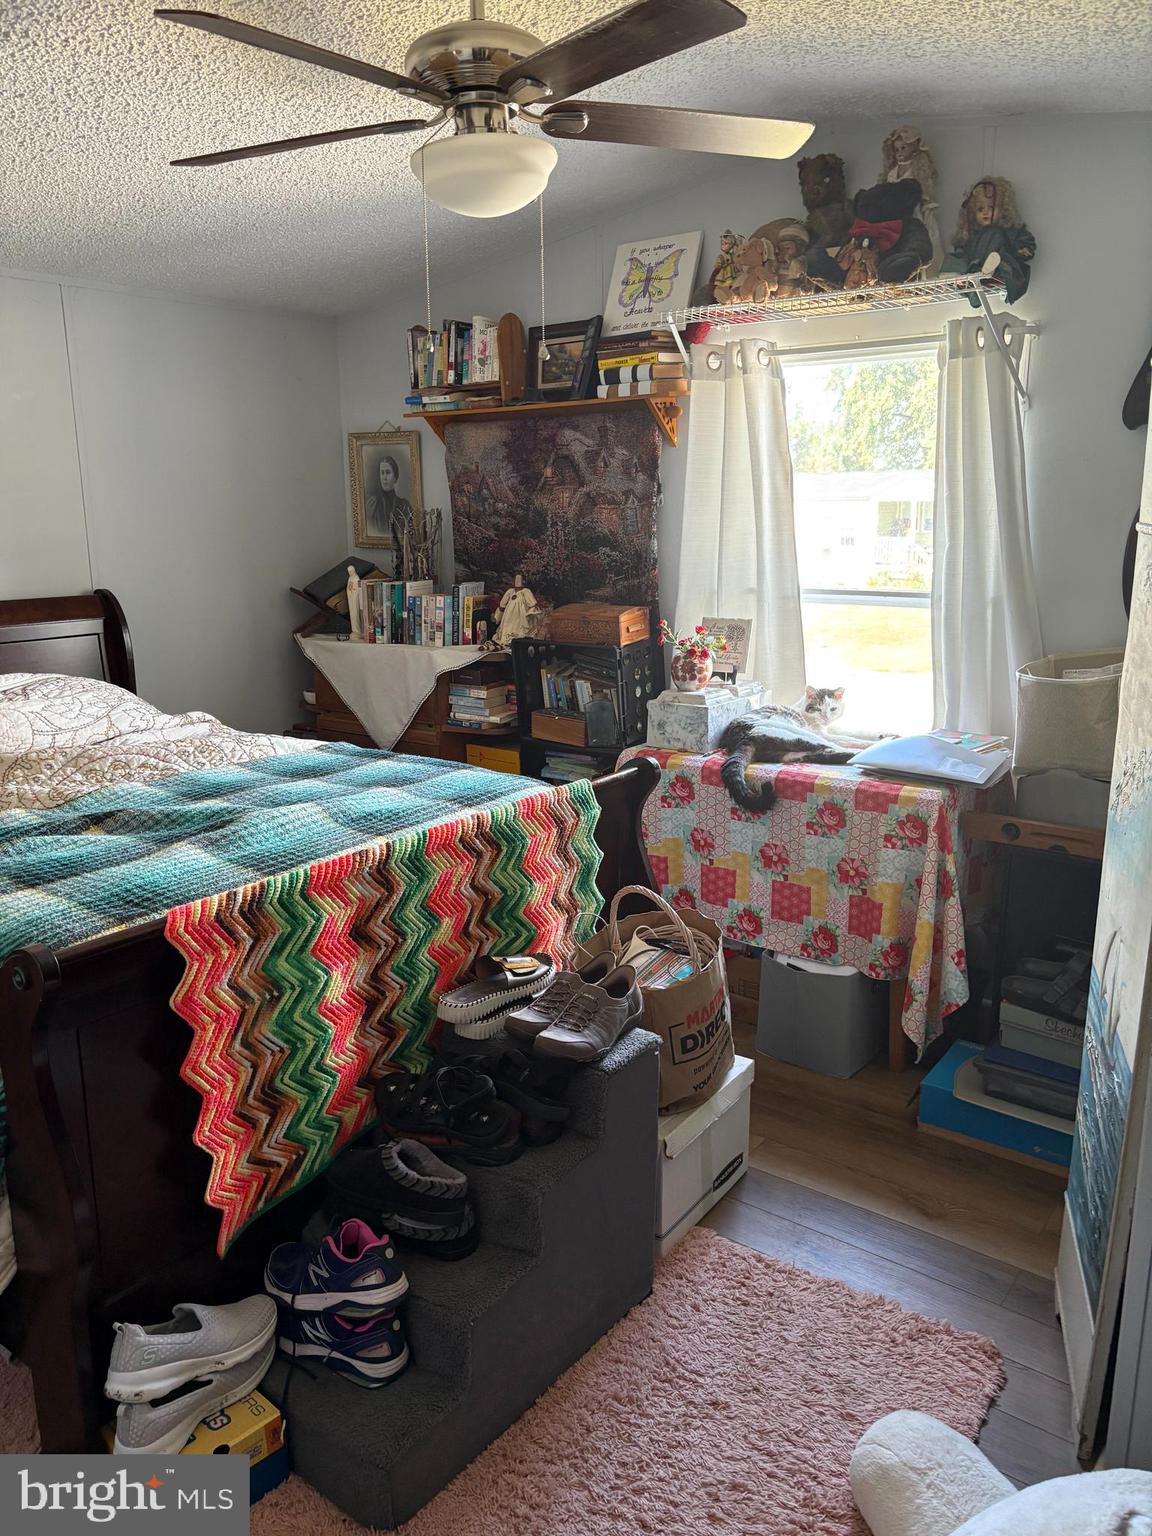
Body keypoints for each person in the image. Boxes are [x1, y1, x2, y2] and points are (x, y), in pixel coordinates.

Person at [365, 454, 416, 554]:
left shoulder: (404, 505)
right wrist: (368, 516)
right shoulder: (372, 505)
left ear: (395, 476)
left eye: (388, 473)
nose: (384, 477)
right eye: (382, 473)